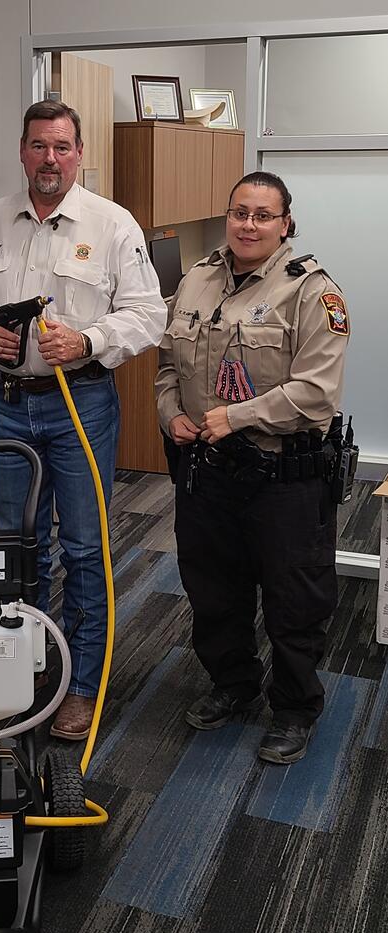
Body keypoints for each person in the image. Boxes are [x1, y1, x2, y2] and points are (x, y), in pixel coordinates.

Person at [0, 100, 167, 740]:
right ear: (21, 150)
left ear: (78, 153)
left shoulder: (112, 223)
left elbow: (149, 314)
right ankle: (24, 674)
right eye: (39, 145)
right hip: (10, 405)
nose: (50, 158)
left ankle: (80, 686)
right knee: (17, 550)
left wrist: (91, 341)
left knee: (84, 549)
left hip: (82, 403)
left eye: (63, 147)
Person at [155, 170, 349, 765]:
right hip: (206, 470)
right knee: (213, 586)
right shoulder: (195, 280)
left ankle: (293, 708)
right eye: (240, 212)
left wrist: (236, 417)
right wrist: (170, 415)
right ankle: (233, 683)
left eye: (264, 215)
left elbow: (317, 394)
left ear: (286, 223)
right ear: (227, 216)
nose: (249, 224)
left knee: (293, 598)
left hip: (283, 476)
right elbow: (166, 366)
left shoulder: (313, 292)